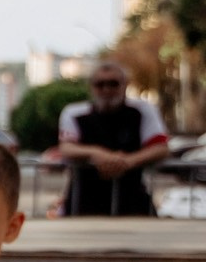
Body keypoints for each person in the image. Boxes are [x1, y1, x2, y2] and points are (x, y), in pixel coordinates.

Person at [56, 58, 168, 219]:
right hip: (84, 201)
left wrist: (128, 161)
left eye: (113, 84)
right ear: (91, 87)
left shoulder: (143, 111)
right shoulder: (74, 113)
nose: (106, 89)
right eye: (100, 84)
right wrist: (98, 154)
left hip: (132, 199)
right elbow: (66, 148)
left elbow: (160, 147)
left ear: (125, 84)